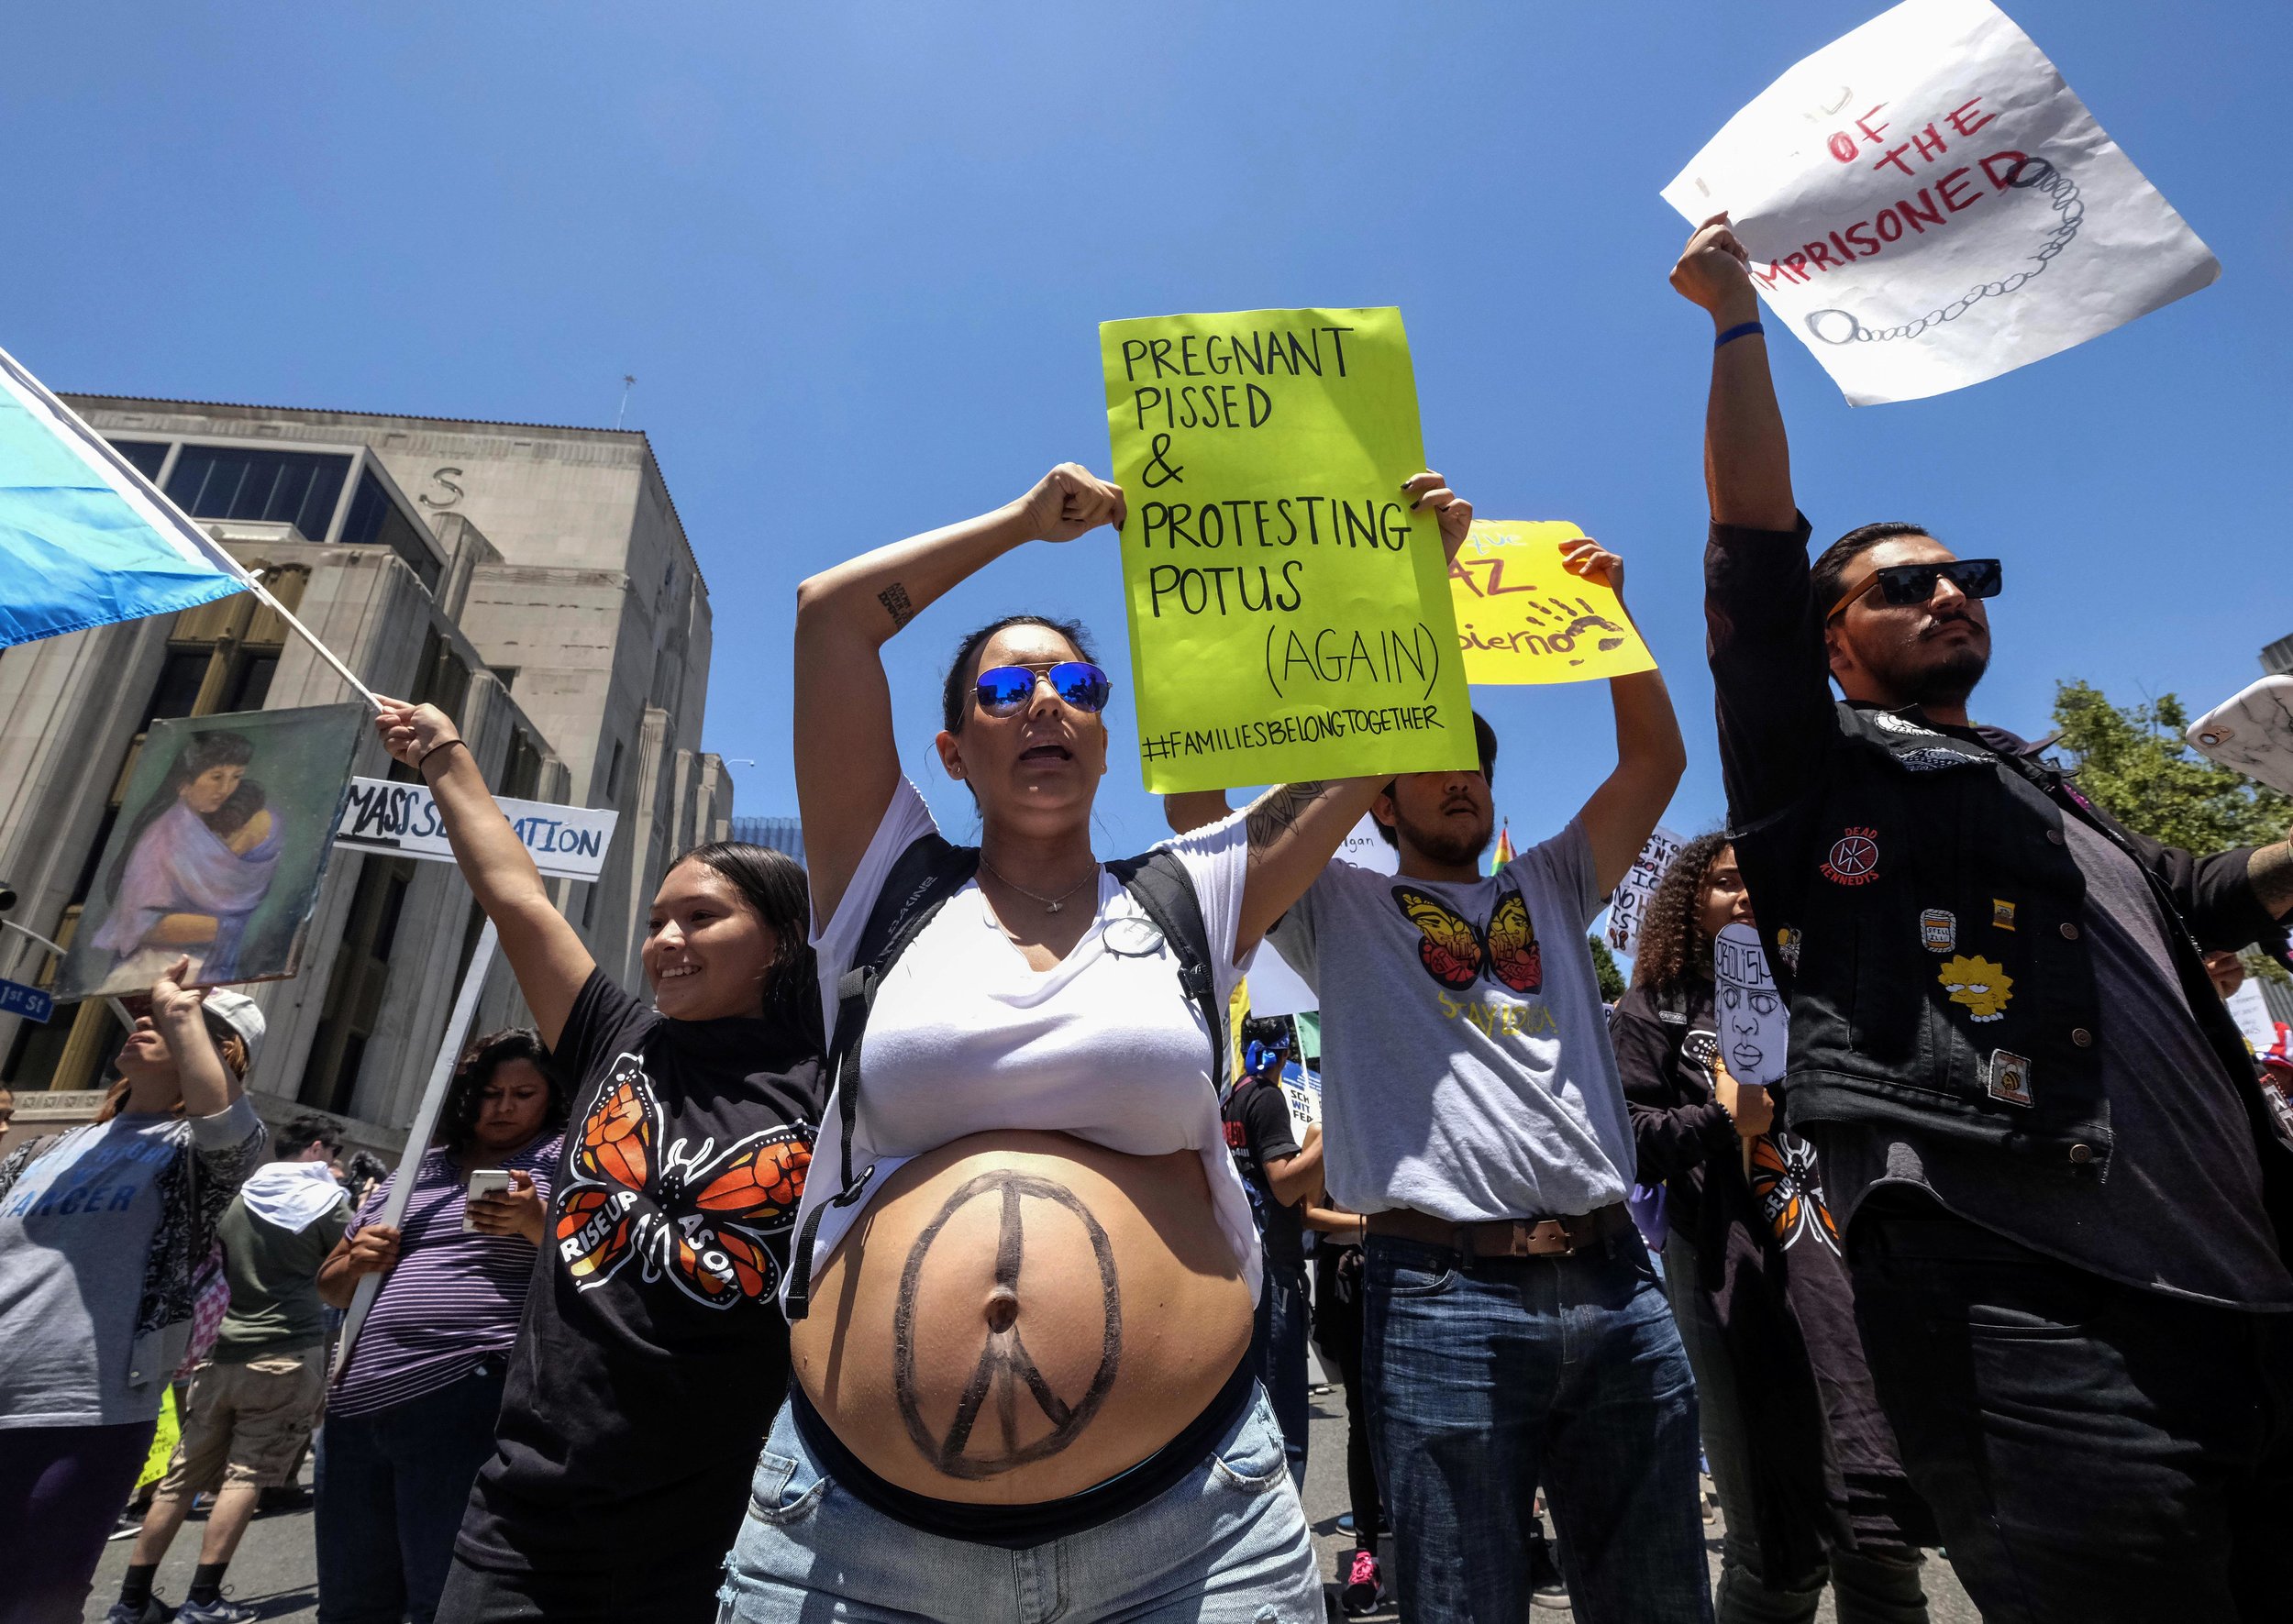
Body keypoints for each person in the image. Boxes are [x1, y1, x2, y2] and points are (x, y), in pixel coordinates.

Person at [712, 462, 1476, 1624]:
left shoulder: (1194, 892)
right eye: (1004, 689)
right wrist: (1024, 526)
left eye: (1074, 682)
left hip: (1195, 1535)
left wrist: (1420, 582)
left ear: (1108, 735)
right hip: (853, 1546)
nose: (1044, 703)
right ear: (952, 750)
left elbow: (1371, 733)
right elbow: (830, 618)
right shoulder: (885, 883)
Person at [1672, 212, 2293, 1622]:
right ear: (1835, 642)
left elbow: (2199, 894)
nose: (1952, 591)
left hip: (2246, 1297)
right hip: (2032, 1303)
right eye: (1906, 584)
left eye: (1969, 577)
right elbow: (1753, 569)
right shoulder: (1816, 769)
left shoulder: (2038, 777)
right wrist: (1733, 321)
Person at [1169, 536, 1701, 1624]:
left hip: (1617, 1286)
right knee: (1460, 1601)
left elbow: (1654, 765)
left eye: (1473, 756)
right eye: (1427, 753)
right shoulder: (1335, 909)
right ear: (1375, 797)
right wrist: (1382, 677)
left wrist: (1613, 623)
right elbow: (1200, 819)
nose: (1459, 773)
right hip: (1442, 1295)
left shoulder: (1552, 880)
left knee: (1659, 1599)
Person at [371, 698, 826, 1624]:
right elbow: (516, 895)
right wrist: (446, 755)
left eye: (701, 917)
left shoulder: (837, 1081)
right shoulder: (616, 1038)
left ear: (780, 940)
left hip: (720, 1535)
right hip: (522, 1521)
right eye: (659, 919)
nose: (665, 940)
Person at [1613, 834, 1933, 1624]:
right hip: (1728, 1272)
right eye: (1724, 884)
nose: (1744, 895)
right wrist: (1721, 1117)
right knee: (1776, 1560)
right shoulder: (1656, 1005)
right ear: (1690, 903)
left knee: (1881, 1545)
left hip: (1845, 1275)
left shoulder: (1823, 991)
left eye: (1756, 881)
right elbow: (1622, 1138)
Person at [0, 960, 268, 1624]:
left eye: (179, 1019)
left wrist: (181, 1013)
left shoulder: (192, 1154)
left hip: (81, 1410)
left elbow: (232, 1133)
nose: (148, 1018)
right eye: (146, 1013)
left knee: (32, 1601)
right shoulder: (50, 1149)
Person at [313, 1028, 566, 1624]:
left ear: (549, 1095)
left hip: (465, 1391)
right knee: (351, 1599)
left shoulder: (563, 1155)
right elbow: (328, 1284)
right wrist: (357, 1260)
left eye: (522, 1092)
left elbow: (597, 1260)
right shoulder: (416, 1171)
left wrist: (534, 1219)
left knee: (444, 1593)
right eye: (489, 1091)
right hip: (356, 1405)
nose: (503, 1106)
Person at [111, 1113, 349, 1623]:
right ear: (314, 1149)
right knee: (247, 1476)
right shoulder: (326, 1204)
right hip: (287, 1350)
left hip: (218, 1353)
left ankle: (131, 1599)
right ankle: (203, 1597)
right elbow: (346, 1267)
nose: (334, 1164)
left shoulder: (238, 1197)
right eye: (331, 1154)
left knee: (180, 1480)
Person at [91, 730, 282, 988]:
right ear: (183, 784)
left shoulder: (223, 823)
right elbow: (139, 924)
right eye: (216, 777)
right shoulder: (163, 839)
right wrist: (227, 928)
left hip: (202, 972)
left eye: (236, 777)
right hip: (154, 972)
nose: (226, 789)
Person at [1223, 1015, 1322, 1489]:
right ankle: (1288, 1527)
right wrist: (1330, 1139)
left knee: (1255, 1404)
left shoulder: (1234, 1095)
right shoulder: (1267, 1097)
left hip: (1243, 1264)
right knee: (1285, 1413)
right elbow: (1285, 1186)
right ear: (1283, 1052)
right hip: (1275, 1267)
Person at [1301, 1188, 1385, 1615]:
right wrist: (1371, 1226)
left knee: (1420, 1416)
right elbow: (1308, 1213)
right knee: (1364, 1416)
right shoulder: (1325, 1127)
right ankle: (1366, 1555)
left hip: (1422, 1269)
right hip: (1350, 1279)